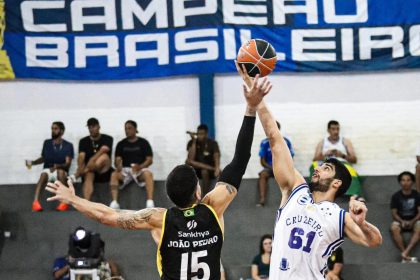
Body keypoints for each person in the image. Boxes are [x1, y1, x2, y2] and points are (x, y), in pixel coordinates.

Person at [45, 75, 272, 280]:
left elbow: (106, 215)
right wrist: (251, 108)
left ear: (171, 196)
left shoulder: (159, 219)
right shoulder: (213, 208)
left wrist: (73, 199)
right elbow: (240, 160)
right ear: (198, 191)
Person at [236, 64, 382, 280]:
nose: (318, 168)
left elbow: (374, 241)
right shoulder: (295, 189)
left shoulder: (339, 216)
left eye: (326, 168)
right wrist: (255, 98)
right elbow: (275, 139)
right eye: (320, 165)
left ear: (337, 183)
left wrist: (363, 223)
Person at [26, 121, 74, 212]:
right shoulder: (47, 143)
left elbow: (68, 163)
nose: (53, 131)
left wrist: (57, 166)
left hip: (60, 170)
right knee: (43, 174)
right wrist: (33, 163)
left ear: (62, 131)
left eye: (55, 129)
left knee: (60, 172)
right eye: (52, 128)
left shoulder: (68, 145)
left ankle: (64, 202)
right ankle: (35, 203)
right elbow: (43, 158)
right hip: (48, 170)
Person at [109, 120, 154, 209]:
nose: (127, 131)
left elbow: (149, 160)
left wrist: (140, 167)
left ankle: (150, 201)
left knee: (148, 174)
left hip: (140, 170)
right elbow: (117, 160)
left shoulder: (143, 142)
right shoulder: (121, 144)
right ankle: (115, 202)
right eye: (125, 129)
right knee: (114, 174)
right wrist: (118, 165)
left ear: (135, 129)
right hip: (125, 170)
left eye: (129, 128)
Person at [311, 120, 362, 196]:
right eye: (333, 129)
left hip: (342, 164)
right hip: (327, 164)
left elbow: (354, 159)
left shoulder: (345, 141)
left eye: (338, 129)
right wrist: (325, 154)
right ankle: (315, 193)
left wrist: (342, 155)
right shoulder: (322, 142)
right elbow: (315, 159)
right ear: (328, 130)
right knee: (314, 167)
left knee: (351, 172)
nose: (336, 131)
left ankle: (354, 195)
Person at [71, 118, 113, 201]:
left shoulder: (108, 138)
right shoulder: (83, 141)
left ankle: (77, 174)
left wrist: (92, 159)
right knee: (89, 175)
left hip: (104, 170)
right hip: (91, 170)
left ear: (99, 127)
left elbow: (104, 150)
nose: (91, 129)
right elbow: (81, 156)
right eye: (89, 127)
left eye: (93, 126)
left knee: (103, 157)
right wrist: (80, 167)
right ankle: (87, 202)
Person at [257, 121, 294, 206]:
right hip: (270, 168)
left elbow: (291, 159)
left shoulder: (286, 142)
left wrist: (282, 168)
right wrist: (272, 168)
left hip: (283, 168)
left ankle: (289, 200)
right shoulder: (264, 143)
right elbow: (262, 161)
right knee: (262, 174)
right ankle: (262, 199)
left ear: (278, 129)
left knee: (291, 177)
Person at [390, 171, 420, 263]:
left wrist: (412, 221)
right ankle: (405, 254)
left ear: (412, 182)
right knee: (394, 227)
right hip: (400, 221)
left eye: (408, 180)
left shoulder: (417, 195)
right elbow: (394, 213)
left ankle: (405, 253)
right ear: (400, 182)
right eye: (403, 180)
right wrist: (402, 221)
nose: (405, 182)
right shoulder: (396, 196)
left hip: (415, 220)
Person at [186, 124, 221, 196]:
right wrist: (194, 141)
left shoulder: (212, 143)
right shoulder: (192, 142)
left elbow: (216, 155)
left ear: (206, 134)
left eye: (202, 134)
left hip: (209, 170)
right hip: (196, 170)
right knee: (189, 162)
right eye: (198, 133)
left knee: (204, 171)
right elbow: (191, 159)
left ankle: (204, 194)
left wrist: (217, 167)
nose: (199, 136)